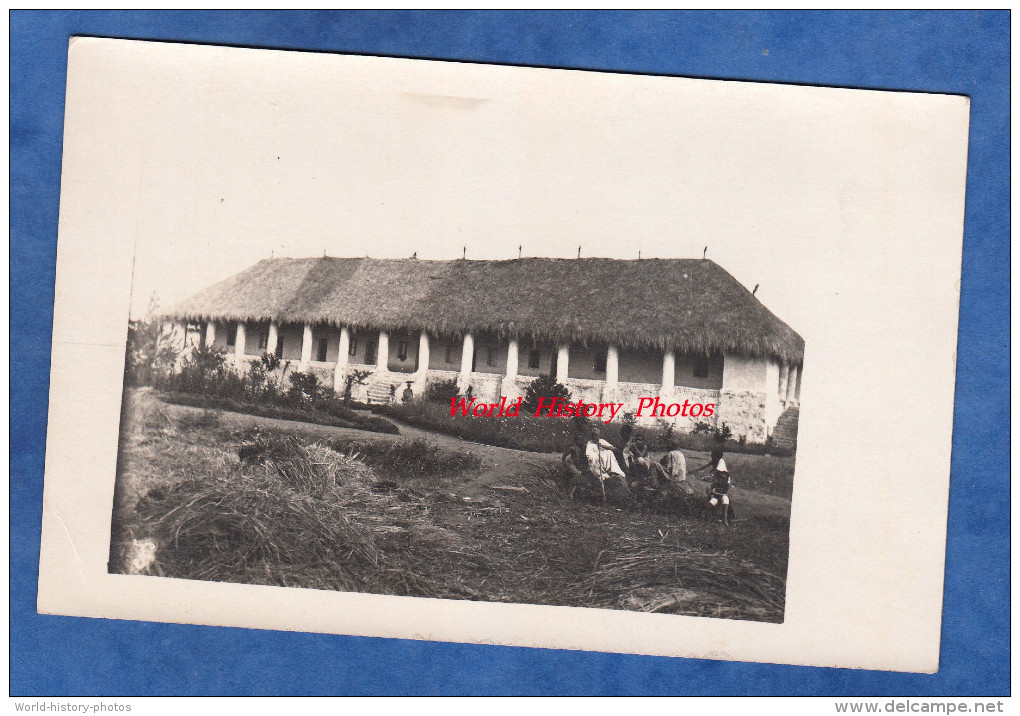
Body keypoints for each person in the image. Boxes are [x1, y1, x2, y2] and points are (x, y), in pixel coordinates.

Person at [707, 458, 733, 524]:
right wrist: (710, 493)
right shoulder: (715, 484)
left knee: (725, 500)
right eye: (720, 479)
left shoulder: (726, 485)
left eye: (723, 479)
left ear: (726, 480)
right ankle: (709, 517)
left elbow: (725, 492)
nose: (721, 480)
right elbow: (711, 491)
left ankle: (725, 520)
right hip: (716, 497)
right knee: (711, 503)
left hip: (721, 496)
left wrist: (714, 492)